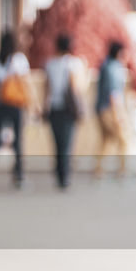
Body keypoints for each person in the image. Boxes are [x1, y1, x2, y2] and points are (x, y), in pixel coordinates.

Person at [0, 30, 36, 188]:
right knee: (18, 140)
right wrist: (33, 104)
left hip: (0, 105)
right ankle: (19, 175)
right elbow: (26, 83)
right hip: (16, 105)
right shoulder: (19, 60)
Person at [43, 33, 85, 188]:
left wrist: (44, 106)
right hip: (68, 109)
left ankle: (59, 174)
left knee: (57, 143)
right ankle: (64, 176)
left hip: (54, 108)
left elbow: (46, 89)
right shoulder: (73, 64)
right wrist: (80, 107)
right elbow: (75, 87)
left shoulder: (50, 64)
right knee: (66, 143)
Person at [93, 41, 130, 179]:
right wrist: (119, 114)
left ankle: (99, 170)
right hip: (110, 110)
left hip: (102, 109)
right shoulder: (114, 68)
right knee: (123, 140)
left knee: (106, 140)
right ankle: (122, 171)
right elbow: (114, 93)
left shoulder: (105, 65)